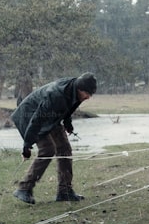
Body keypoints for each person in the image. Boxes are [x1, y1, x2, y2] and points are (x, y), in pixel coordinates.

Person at [10, 72, 97, 204]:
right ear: (80, 89)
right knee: (47, 150)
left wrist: (68, 124)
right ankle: (24, 188)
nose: (88, 97)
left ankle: (65, 192)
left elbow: (69, 108)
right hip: (30, 117)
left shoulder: (76, 91)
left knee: (65, 149)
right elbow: (37, 119)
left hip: (50, 118)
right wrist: (27, 145)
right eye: (87, 94)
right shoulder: (56, 95)